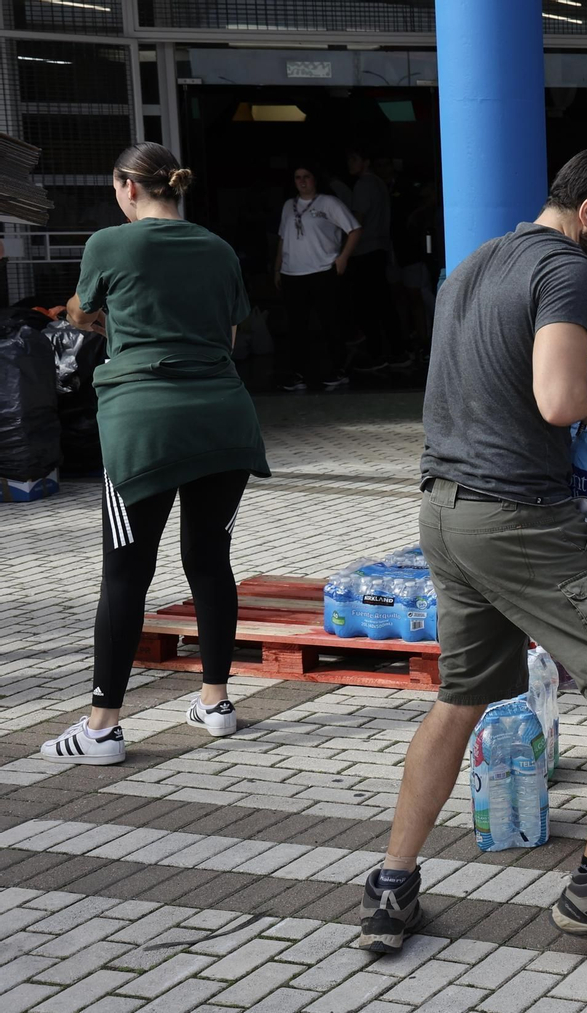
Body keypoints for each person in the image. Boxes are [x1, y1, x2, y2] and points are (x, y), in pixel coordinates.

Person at [358, 146, 587, 956]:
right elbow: (555, 398)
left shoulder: (476, 263)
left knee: (463, 693)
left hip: (443, 512)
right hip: (520, 517)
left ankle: (392, 883)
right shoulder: (565, 270)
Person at [49, 142, 269, 765]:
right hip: (225, 422)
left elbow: (82, 311)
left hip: (143, 428)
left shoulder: (108, 244)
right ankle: (217, 703)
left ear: (127, 187)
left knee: (126, 571)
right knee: (209, 559)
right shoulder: (219, 249)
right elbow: (227, 336)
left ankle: (101, 729)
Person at [274, 163, 361, 391]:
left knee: (330, 322)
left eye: (306, 177)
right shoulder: (288, 206)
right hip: (293, 272)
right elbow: (282, 239)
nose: (302, 181)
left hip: (322, 270)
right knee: (296, 327)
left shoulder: (328, 203)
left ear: (315, 179)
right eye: (297, 177)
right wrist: (277, 268)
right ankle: (297, 373)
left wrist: (343, 258)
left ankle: (338, 369)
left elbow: (354, 229)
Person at [344, 144, 410, 369]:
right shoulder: (380, 184)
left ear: (365, 162)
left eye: (354, 159)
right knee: (383, 302)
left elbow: (357, 220)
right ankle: (397, 350)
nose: (350, 164)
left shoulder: (364, 185)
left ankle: (376, 353)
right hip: (380, 247)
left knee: (367, 304)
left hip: (366, 250)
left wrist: (345, 247)